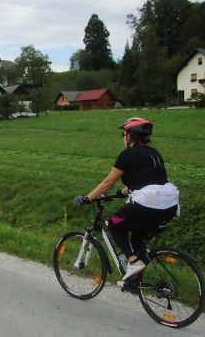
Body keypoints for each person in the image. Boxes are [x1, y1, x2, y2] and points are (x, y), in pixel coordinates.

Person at [74, 117, 179, 283]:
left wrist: (87, 198)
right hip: (169, 205)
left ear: (129, 136)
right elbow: (150, 178)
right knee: (137, 238)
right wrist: (125, 191)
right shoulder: (154, 153)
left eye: (124, 134)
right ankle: (135, 280)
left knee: (114, 224)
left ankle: (132, 262)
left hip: (147, 203)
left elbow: (108, 182)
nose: (123, 137)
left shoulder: (127, 154)